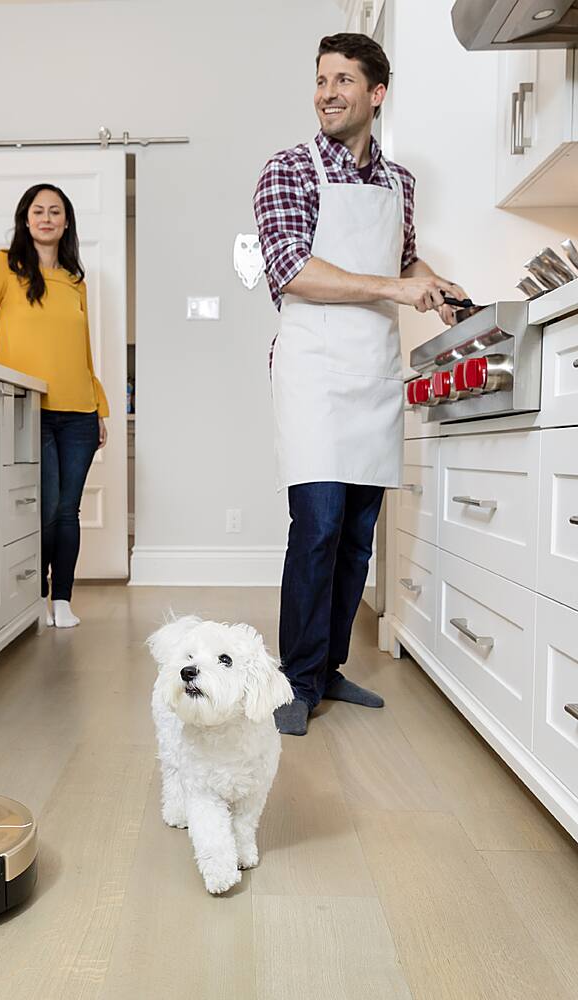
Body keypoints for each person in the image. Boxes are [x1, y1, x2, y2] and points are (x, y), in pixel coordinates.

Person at [253, 32, 468, 736]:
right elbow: (290, 269)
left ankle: (329, 670)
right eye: (321, 79)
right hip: (315, 371)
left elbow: (403, 259)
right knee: (315, 529)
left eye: (343, 79)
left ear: (376, 94)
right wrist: (398, 288)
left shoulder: (399, 182)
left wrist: (428, 282)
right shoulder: (288, 169)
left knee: (356, 537)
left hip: (373, 371)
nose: (327, 92)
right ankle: (294, 681)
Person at [0, 185, 109, 629]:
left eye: (55, 212)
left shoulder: (76, 280)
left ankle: (61, 598)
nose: (46, 218)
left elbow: (83, 350)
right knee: (44, 507)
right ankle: (33, 595)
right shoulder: (6, 266)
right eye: (38, 210)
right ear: (26, 218)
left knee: (68, 510)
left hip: (79, 411)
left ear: (66, 222)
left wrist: (100, 406)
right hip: (29, 409)